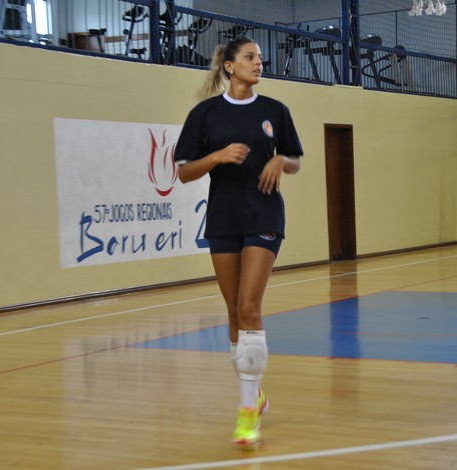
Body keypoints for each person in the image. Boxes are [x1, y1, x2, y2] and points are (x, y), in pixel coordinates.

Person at [174, 36, 303, 448]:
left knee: (250, 306)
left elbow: (295, 158)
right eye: (249, 57)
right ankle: (255, 394)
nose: (258, 63)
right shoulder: (205, 114)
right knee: (232, 310)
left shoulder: (275, 111)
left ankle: (247, 410)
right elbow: (184, 171)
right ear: (229, 66)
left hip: (264, 216)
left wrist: (281, 160)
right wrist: (217, 157)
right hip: (224, 219)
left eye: (260, 58)